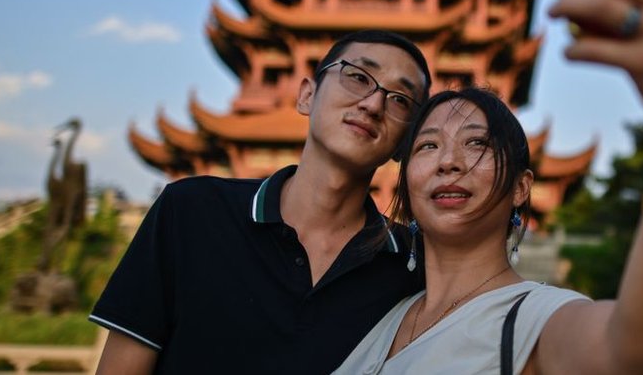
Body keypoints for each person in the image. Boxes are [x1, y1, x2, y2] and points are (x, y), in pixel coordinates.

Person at [335, 0, 643, 374]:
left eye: (478, 144)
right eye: (427, 146)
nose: (449, 162)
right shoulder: (375, 320)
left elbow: (639, 350)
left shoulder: (536, 319)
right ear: (404, 177)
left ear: (522, 187)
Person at [90, 30, 432, 374]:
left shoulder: (411, 266)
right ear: (306, 96)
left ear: (405, 143)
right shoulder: (191, 211)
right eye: (358, 77)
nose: (373, 104)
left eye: (400, 99)